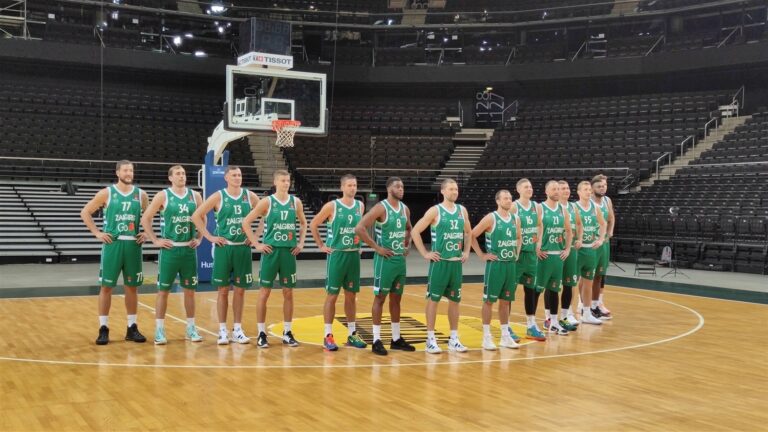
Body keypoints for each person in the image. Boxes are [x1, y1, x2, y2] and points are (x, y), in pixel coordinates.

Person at [80, 160, 148, 345]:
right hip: (113, 244)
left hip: (133, 245)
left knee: (132, 287)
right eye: (125, 170)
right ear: (117, 172)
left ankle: (132, 327)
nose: (128, 173)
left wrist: (146, 232)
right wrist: (97, 233)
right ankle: (103, 328)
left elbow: (147, 217)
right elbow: (85, 212)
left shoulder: (141, 194)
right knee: (106, 287)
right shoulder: (106, 193)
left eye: (131, 170)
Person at [191, 166, 260, 345]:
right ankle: (222, 330)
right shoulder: (218, 196)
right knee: (222, 290)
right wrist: (209, 237)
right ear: (226, 178)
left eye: (239, 175)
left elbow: (266, 215)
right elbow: (196, 216)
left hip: (242, 248)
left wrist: (255, 236)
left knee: (240, 291)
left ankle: (237, 329)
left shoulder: (250, 196)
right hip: (224, 248)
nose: (237, 177)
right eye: (234, 175)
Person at [140, 165, 205, 345]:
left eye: (183, 173)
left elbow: (203, 217)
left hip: (188, 250)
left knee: (190, 292)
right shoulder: (163, 195)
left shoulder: (195, 196)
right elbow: (145, 218)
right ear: (170, 178)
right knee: (163, 291)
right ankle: (159, 329)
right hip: (170, 250)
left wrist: (200, 238)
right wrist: (155, 240)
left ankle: (191, 327)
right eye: (178, 174)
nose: (181, 176)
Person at [242, 170, 307, 348]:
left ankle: (287, 332)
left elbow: (303, 223)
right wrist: (257, 244)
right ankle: (261, 333)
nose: (286, 183)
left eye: (288, 180)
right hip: (271, 252)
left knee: (288, 293)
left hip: (289, 252)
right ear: (275, 182)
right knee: (264, 293)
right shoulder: (267, 202)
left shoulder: (296, 202)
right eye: (283, 180)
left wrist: (301, 243)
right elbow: (246, 222)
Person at [354, 177, 416, 356]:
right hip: (385, 261)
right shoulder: (381, 207)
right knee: (380, 298)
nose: (401, 188)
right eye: (397, 186)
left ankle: (396, 339)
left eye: (402, 186)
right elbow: (360, 228)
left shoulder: (405, 209)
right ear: (389, 189)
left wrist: (408, 244)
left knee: (396, 299)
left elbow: (409, 228)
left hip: (399, 260)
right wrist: (377, 248)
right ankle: (376, 340)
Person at [410, 178, 472, 354]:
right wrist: (425, 253)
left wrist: (466, 251)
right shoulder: (435, 210)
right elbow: (415, 231)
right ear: (443, 191)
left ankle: (454, 339)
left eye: (456, 189)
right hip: (440, 263)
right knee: (433, 300)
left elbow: (468, 232)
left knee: (455, 301)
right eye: (451, 189)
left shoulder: (462, 210)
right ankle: (430, 340)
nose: (454, 192)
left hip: (456, 264)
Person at [310, 174, 367, 351]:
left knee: (351, 296)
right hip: (337, 255)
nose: (353, 188)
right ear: (342, 187)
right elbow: (313, 224)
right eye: (349, 185)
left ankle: (352, 334)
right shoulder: (332, 206)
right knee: (332, 296)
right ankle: (328, 335)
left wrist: (360, 244)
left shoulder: (360, 206)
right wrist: (321, 245)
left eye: (355, 185)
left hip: (353, 256)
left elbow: (359, 229)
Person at [470, 189, 522, 350]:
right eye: (505, 198)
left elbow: (519, 237)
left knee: (505, 302)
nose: (509, 201)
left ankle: (505, 336)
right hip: (496, 265)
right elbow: (472, 235)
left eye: (510, 198)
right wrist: (482, 255)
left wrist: (517, 253)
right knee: (489, 301)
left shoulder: (515, 218)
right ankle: (486, 337)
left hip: (510, 264)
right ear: (498, 201)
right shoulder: (491, 218)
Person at [535, 180, 573, 336]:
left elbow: (569, 231)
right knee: (537, 290)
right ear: (546, 191)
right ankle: (532, 323)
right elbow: (532, 229)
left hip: (558, 256)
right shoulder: (540, 208)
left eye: (558, 189)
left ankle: (554, 322)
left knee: (554, 290)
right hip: (543, 256)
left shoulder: (563, 210)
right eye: (553, 189)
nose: (557, 191)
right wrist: (536, 248)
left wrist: (568, 249)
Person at [514, 178, 545, 342]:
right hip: (518, 256)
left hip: (532, 255)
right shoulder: (514, 206)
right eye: (526, 187)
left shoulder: (536, 207)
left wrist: (538, 243)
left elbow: (540, 225)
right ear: (518, 189)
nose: (530, 189)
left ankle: (531, 325)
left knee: (531, 290)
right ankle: (506, 327)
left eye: (531, 187)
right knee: (509, 291)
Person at [574, 181, 607, 325]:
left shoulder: (595, 207)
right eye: (585, 189)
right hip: (577, 250)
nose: (588, 192)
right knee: (572, 283)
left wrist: (601, 239)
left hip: (590, 249)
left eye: (589, 190)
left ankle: (587, 313)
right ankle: (569, 313)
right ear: (579, 192)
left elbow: (603, 223)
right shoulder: (574, 207)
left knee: (588, 282)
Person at [590, 174, 615, 319]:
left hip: (603, 242)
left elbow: (611, 218)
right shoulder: (588, 201)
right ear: (592, 188)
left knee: (600, 275)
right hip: (591, 243)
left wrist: (610, 231)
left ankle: (597, 303)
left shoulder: (607, 200)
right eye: (599, 186)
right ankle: (583, 304)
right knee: (587, 275)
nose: (602, 188)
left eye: (604, 185)